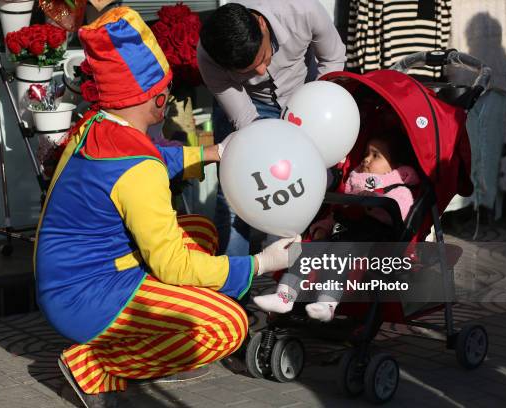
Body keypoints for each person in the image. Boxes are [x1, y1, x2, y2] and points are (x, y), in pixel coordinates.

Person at [34, 7, 299, 407]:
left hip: (73, 274)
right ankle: (95, 362)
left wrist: (212, 151)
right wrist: (260, 264)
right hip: (87, 295)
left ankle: (155, 327)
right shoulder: (137, 171)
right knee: (226, 326)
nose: (171, 99)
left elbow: (155, 157)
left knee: (203, 233)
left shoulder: (101, 124)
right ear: (158, 98)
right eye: (168, 93)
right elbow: (171, 262)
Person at [198, 0, 347, 256]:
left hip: (305, 97)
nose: (262, 70)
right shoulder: (208, 56)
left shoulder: (303, 9)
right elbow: (245, 118)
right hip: (250, 106)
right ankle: (234, 285)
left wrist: (317, 105)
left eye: (264, 57)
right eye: (248, 71)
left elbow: (332, 58)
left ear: (262, 25)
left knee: (306, 181)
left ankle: (294, 276)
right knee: (236, 196)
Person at [253, 134, 419, 322]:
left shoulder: (399, 190)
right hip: (342, 235)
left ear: (395, 165)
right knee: (306, 250)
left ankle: (327, 303)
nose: (366, 159)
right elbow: (337, 214)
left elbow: (399, 215)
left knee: (339, 253)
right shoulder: (353, 188)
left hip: (373, 245)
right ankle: (284, 297)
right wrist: (322, 227)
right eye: (366, 153)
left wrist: (374, 201)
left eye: (376, 156)